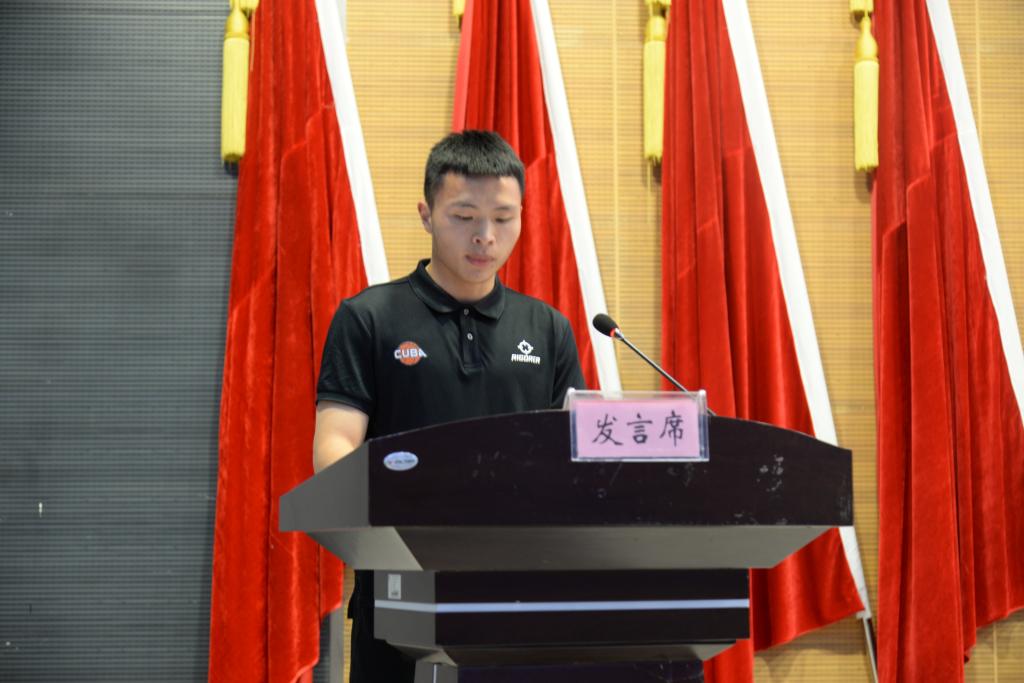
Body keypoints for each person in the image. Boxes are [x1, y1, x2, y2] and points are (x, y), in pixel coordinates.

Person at [312, 130, 587, 682]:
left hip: (516, 597)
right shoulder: (369, 318)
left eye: (504, 218)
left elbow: (573, 455)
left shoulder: (547, 328)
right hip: (400, 591)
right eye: (464, 216)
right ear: (426, 214)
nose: (485, 236)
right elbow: (335, 445)